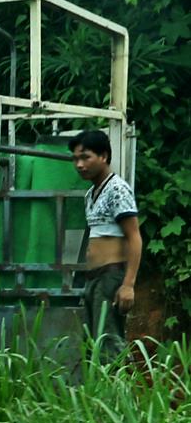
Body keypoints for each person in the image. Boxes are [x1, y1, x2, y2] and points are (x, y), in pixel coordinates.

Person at [71, 128, 141, 357]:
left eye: (85, 157)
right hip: (93, 278)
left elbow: (134, 236)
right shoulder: (91, 194)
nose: (80, 164)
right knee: (92, 344)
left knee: (110, 344)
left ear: (104, 156)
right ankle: (97, 393)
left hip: (110, 276)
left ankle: (118, 391)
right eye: (76, 159)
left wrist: (128, 284)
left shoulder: (117, 189)